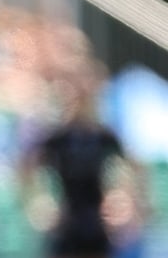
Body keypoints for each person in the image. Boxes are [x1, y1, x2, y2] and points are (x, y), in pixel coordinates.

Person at [20, 57, 143, 258]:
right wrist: (37, 203)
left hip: (97, 224)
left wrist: (129, 201)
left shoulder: (104, 136)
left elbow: (135, 165)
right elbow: (26, 167)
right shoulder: (57, 138)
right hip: (66, 223)